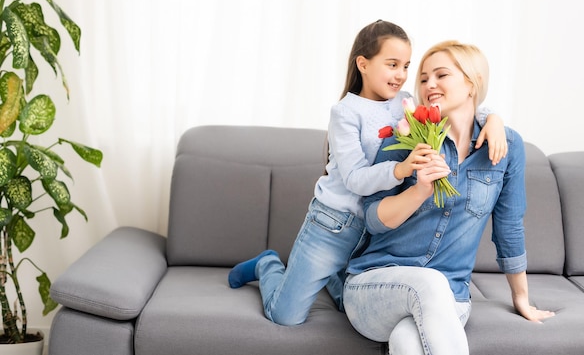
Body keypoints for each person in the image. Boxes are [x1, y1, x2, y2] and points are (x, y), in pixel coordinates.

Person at [227, 22, 507, 326]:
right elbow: (355, 179)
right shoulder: (346, 113)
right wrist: (401, 169)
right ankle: (267, 264)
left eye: (405, 66)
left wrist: (492, 118)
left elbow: (452, 104)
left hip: (374, 237)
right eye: (392, 65)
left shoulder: (405, 104)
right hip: (333, 227)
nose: (401, 75)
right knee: (285, 315)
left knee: (353, 309)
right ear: (363, 64)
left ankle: (334, 277)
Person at [342, 40, 555, 354]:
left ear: (472, 83)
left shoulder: (505, 146)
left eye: (441, 75)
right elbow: (373, 220)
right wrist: (419, 191)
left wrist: (521, 298)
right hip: (377, 286)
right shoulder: (406, 136)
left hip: (450, 298)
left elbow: (509, 226)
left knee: (408, 341)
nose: (429, 85)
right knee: (430, 282)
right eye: (424, 78)